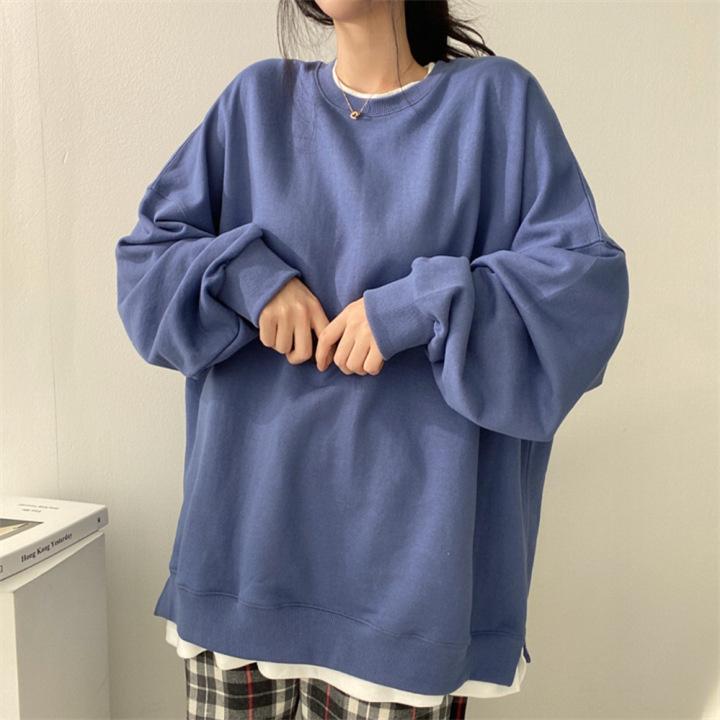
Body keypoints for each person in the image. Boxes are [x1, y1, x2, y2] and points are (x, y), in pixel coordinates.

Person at [114, 0, 630, 718]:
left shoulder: (495, 104)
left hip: (407, 592)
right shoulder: (257, 103)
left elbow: (582, 293)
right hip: (244, 558)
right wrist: (248, 278)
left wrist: (422, 304)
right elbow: (147, 262)